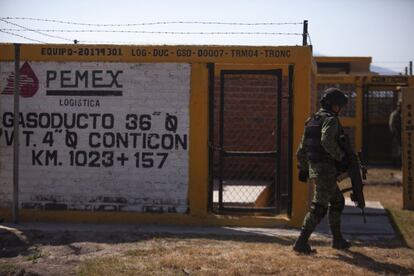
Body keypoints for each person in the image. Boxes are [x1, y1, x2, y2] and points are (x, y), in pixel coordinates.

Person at [293, 87, 351, 254]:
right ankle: (301, 242)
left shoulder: (312, 120)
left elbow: (301, 149)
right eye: (340, 106)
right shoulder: (330, 120)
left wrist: (304, 168)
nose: (340, 109)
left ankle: (338, 239)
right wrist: (342, 157)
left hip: (316, 168)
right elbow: (327, 141)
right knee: (319, 207)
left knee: (338, 202)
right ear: (334, 105)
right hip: (326, 171)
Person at [389, 100, 402, 168]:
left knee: (401, 150)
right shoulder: (394, 114)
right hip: (396, 135)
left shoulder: (404, 114)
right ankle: (395, 165)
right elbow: (391, 125)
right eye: (399, 106)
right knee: (395, 151)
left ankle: (400, 164)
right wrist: (395, 132)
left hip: (403, 134)